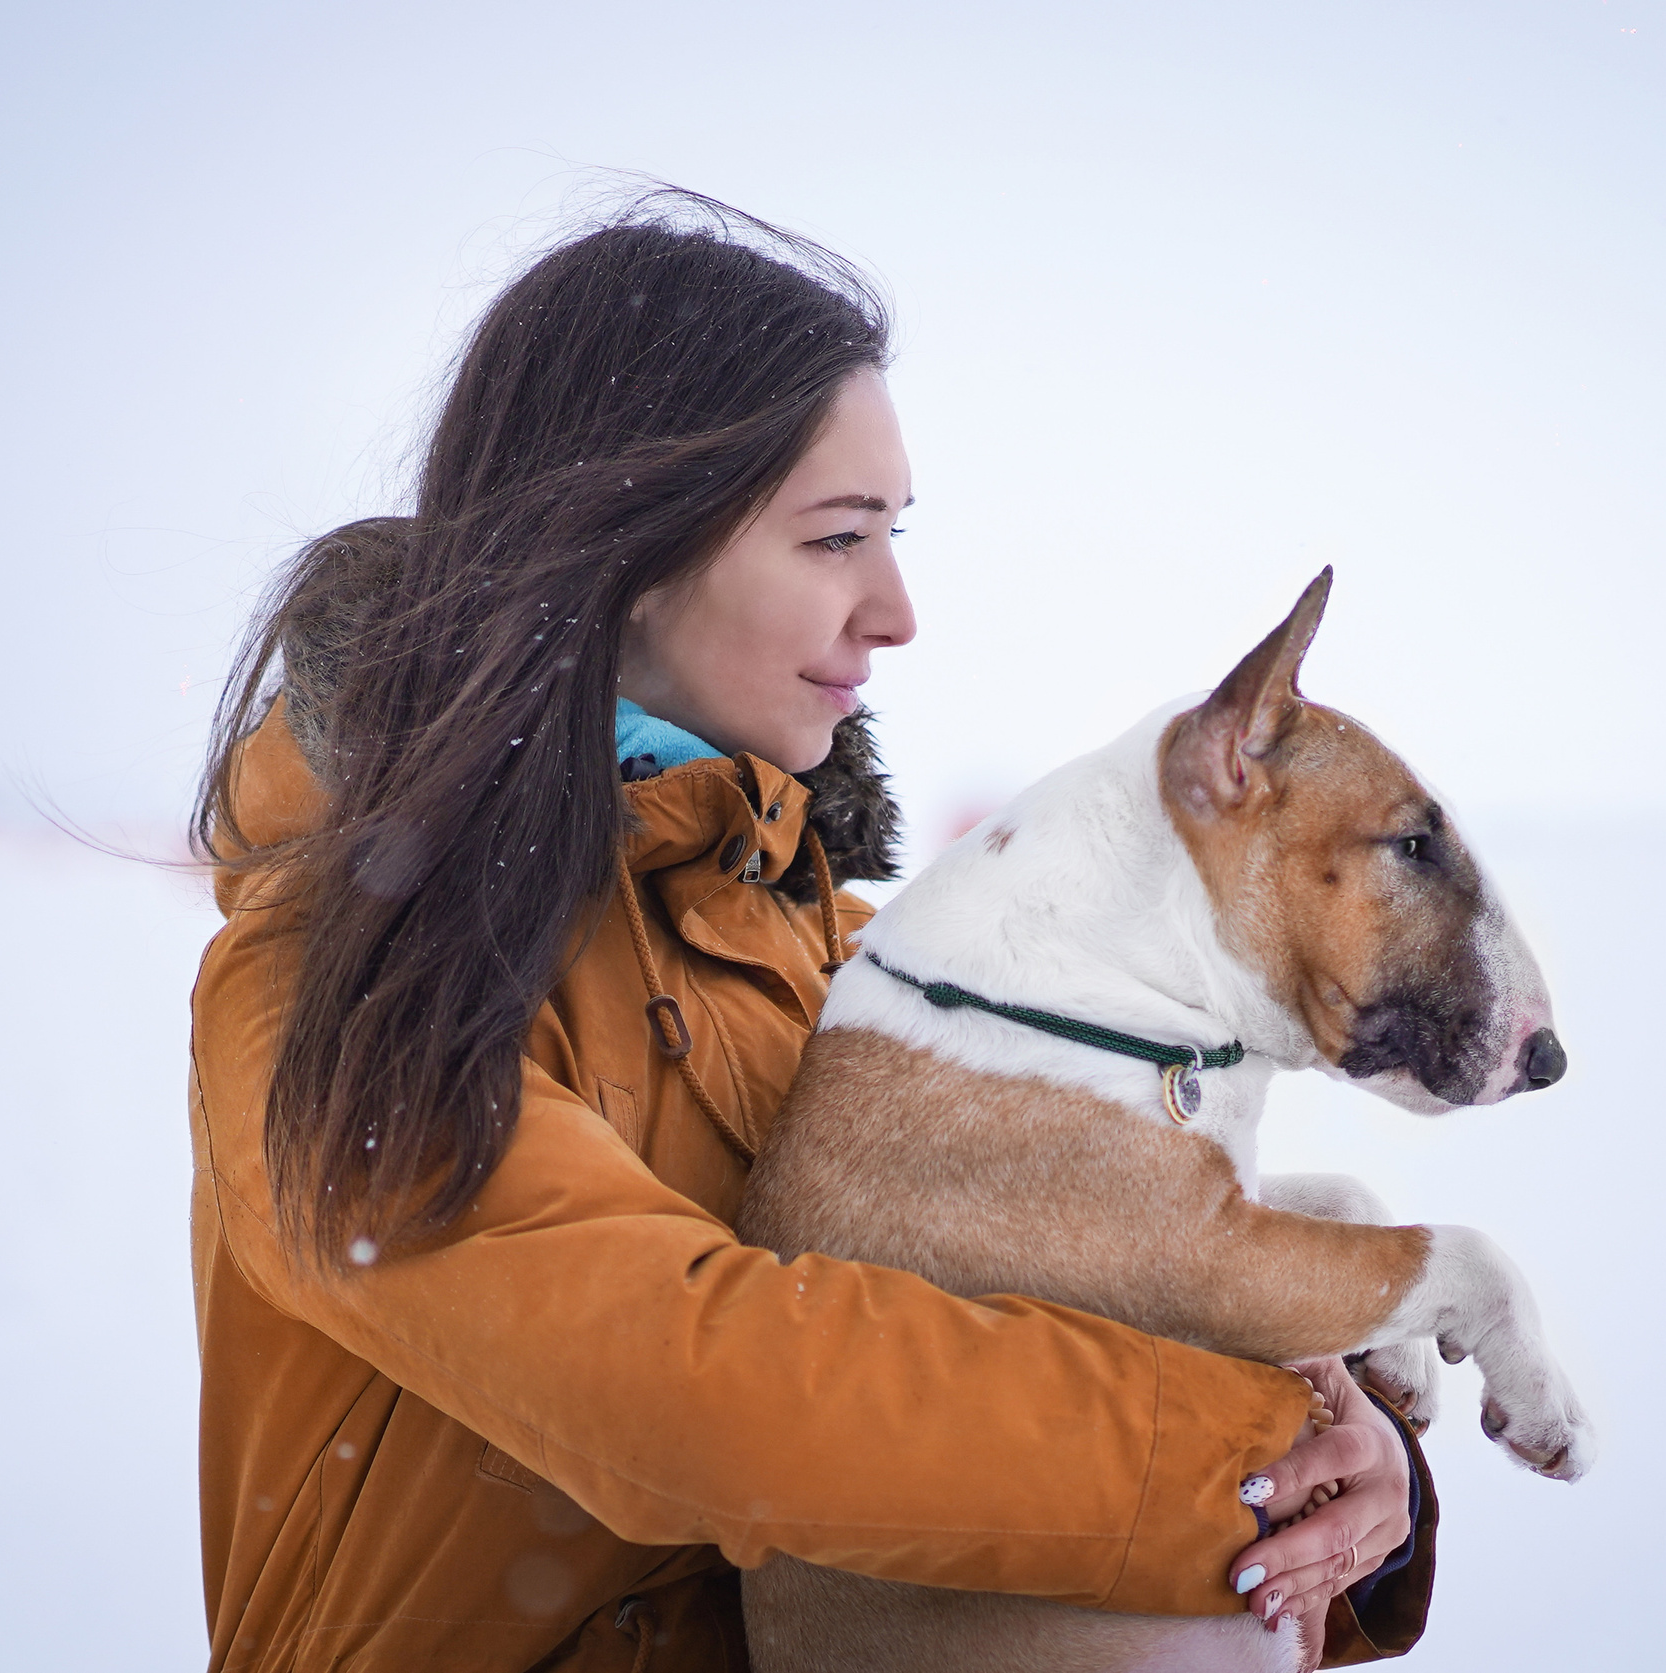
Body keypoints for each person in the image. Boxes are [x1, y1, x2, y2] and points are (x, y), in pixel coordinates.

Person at [187, 191, 1436, 1673]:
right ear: (622, 551)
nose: (897, 609)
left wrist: (1348, 1426)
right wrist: (1240, 1458)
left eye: (893, 534)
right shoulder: (324, 980)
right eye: (839, 537)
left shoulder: (835, 955)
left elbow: (1067, 1266)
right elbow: (690, 1389)